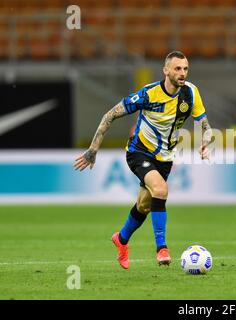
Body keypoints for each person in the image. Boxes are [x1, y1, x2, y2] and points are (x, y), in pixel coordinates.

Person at [74, 51, 212, 269]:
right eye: (177, 68)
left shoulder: (191, 93)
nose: (182, 73)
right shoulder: (149, 95)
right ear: (166, 70)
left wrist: (206, 141)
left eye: (185, 68)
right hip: (139, 152)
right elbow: (109, 116)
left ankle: (121, 239)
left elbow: (204, 123)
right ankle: (162, 249)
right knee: (161, 189)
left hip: (165, 158)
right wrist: (92, 150)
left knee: (144, 205)